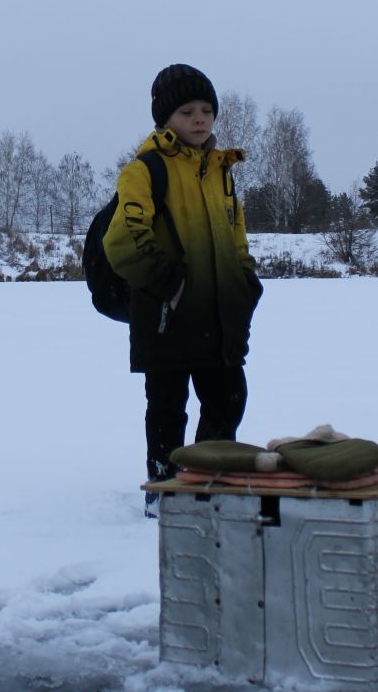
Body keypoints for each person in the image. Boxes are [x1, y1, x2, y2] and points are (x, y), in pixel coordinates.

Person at [102, 64, 264, 497]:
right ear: (165, 119)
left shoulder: (220, 172)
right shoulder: (145, 169)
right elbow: (123, 239)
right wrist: (170, 287)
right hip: (165, 316)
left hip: (219, 315)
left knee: (228, 399)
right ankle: (166, 488)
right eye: (187, 110)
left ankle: (209, 482)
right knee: (168, 410)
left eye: (207, 110)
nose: (199, 118)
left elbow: (237, 239)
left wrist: (245, 286)